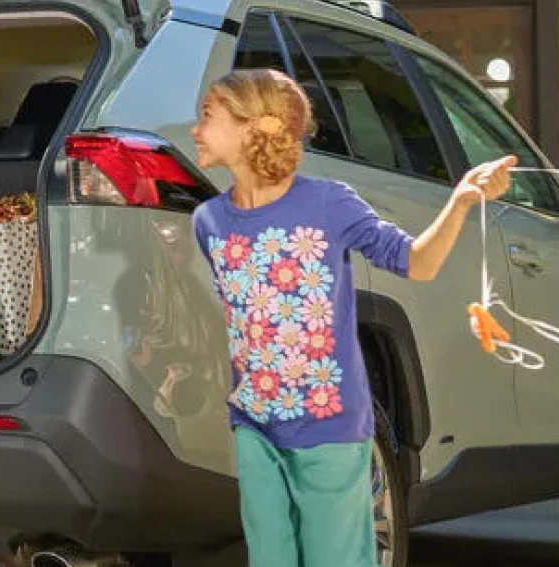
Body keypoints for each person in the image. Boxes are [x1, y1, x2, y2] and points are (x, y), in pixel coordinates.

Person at [188, 68, 513, 567]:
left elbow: (416, 263)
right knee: (269, 557)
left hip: (329, 424)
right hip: (254, 421)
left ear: (255, 127)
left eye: (208, 116)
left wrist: (462, 199)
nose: (195, 129)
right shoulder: (208, 221)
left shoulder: (329, 203)